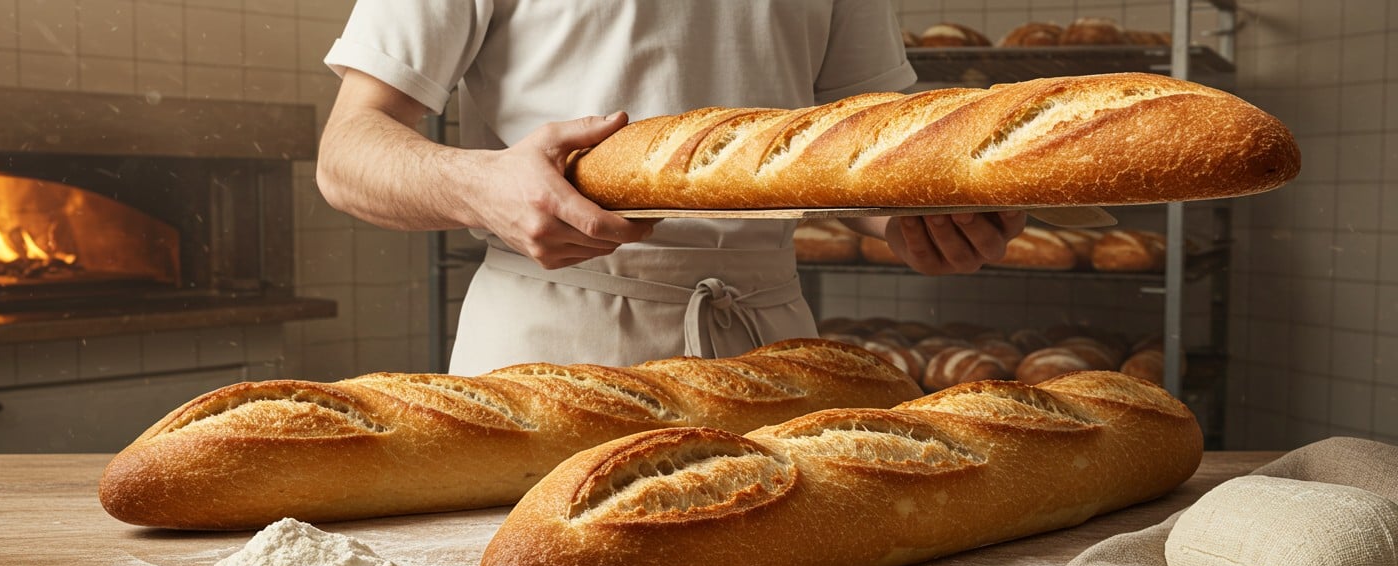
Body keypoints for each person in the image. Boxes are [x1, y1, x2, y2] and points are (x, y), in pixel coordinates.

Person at [318, 1, 1026, 375]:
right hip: (557, 345)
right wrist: (483, 187)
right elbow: (347, 152)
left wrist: (907, 218)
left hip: (769, 347)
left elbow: (860, 141)